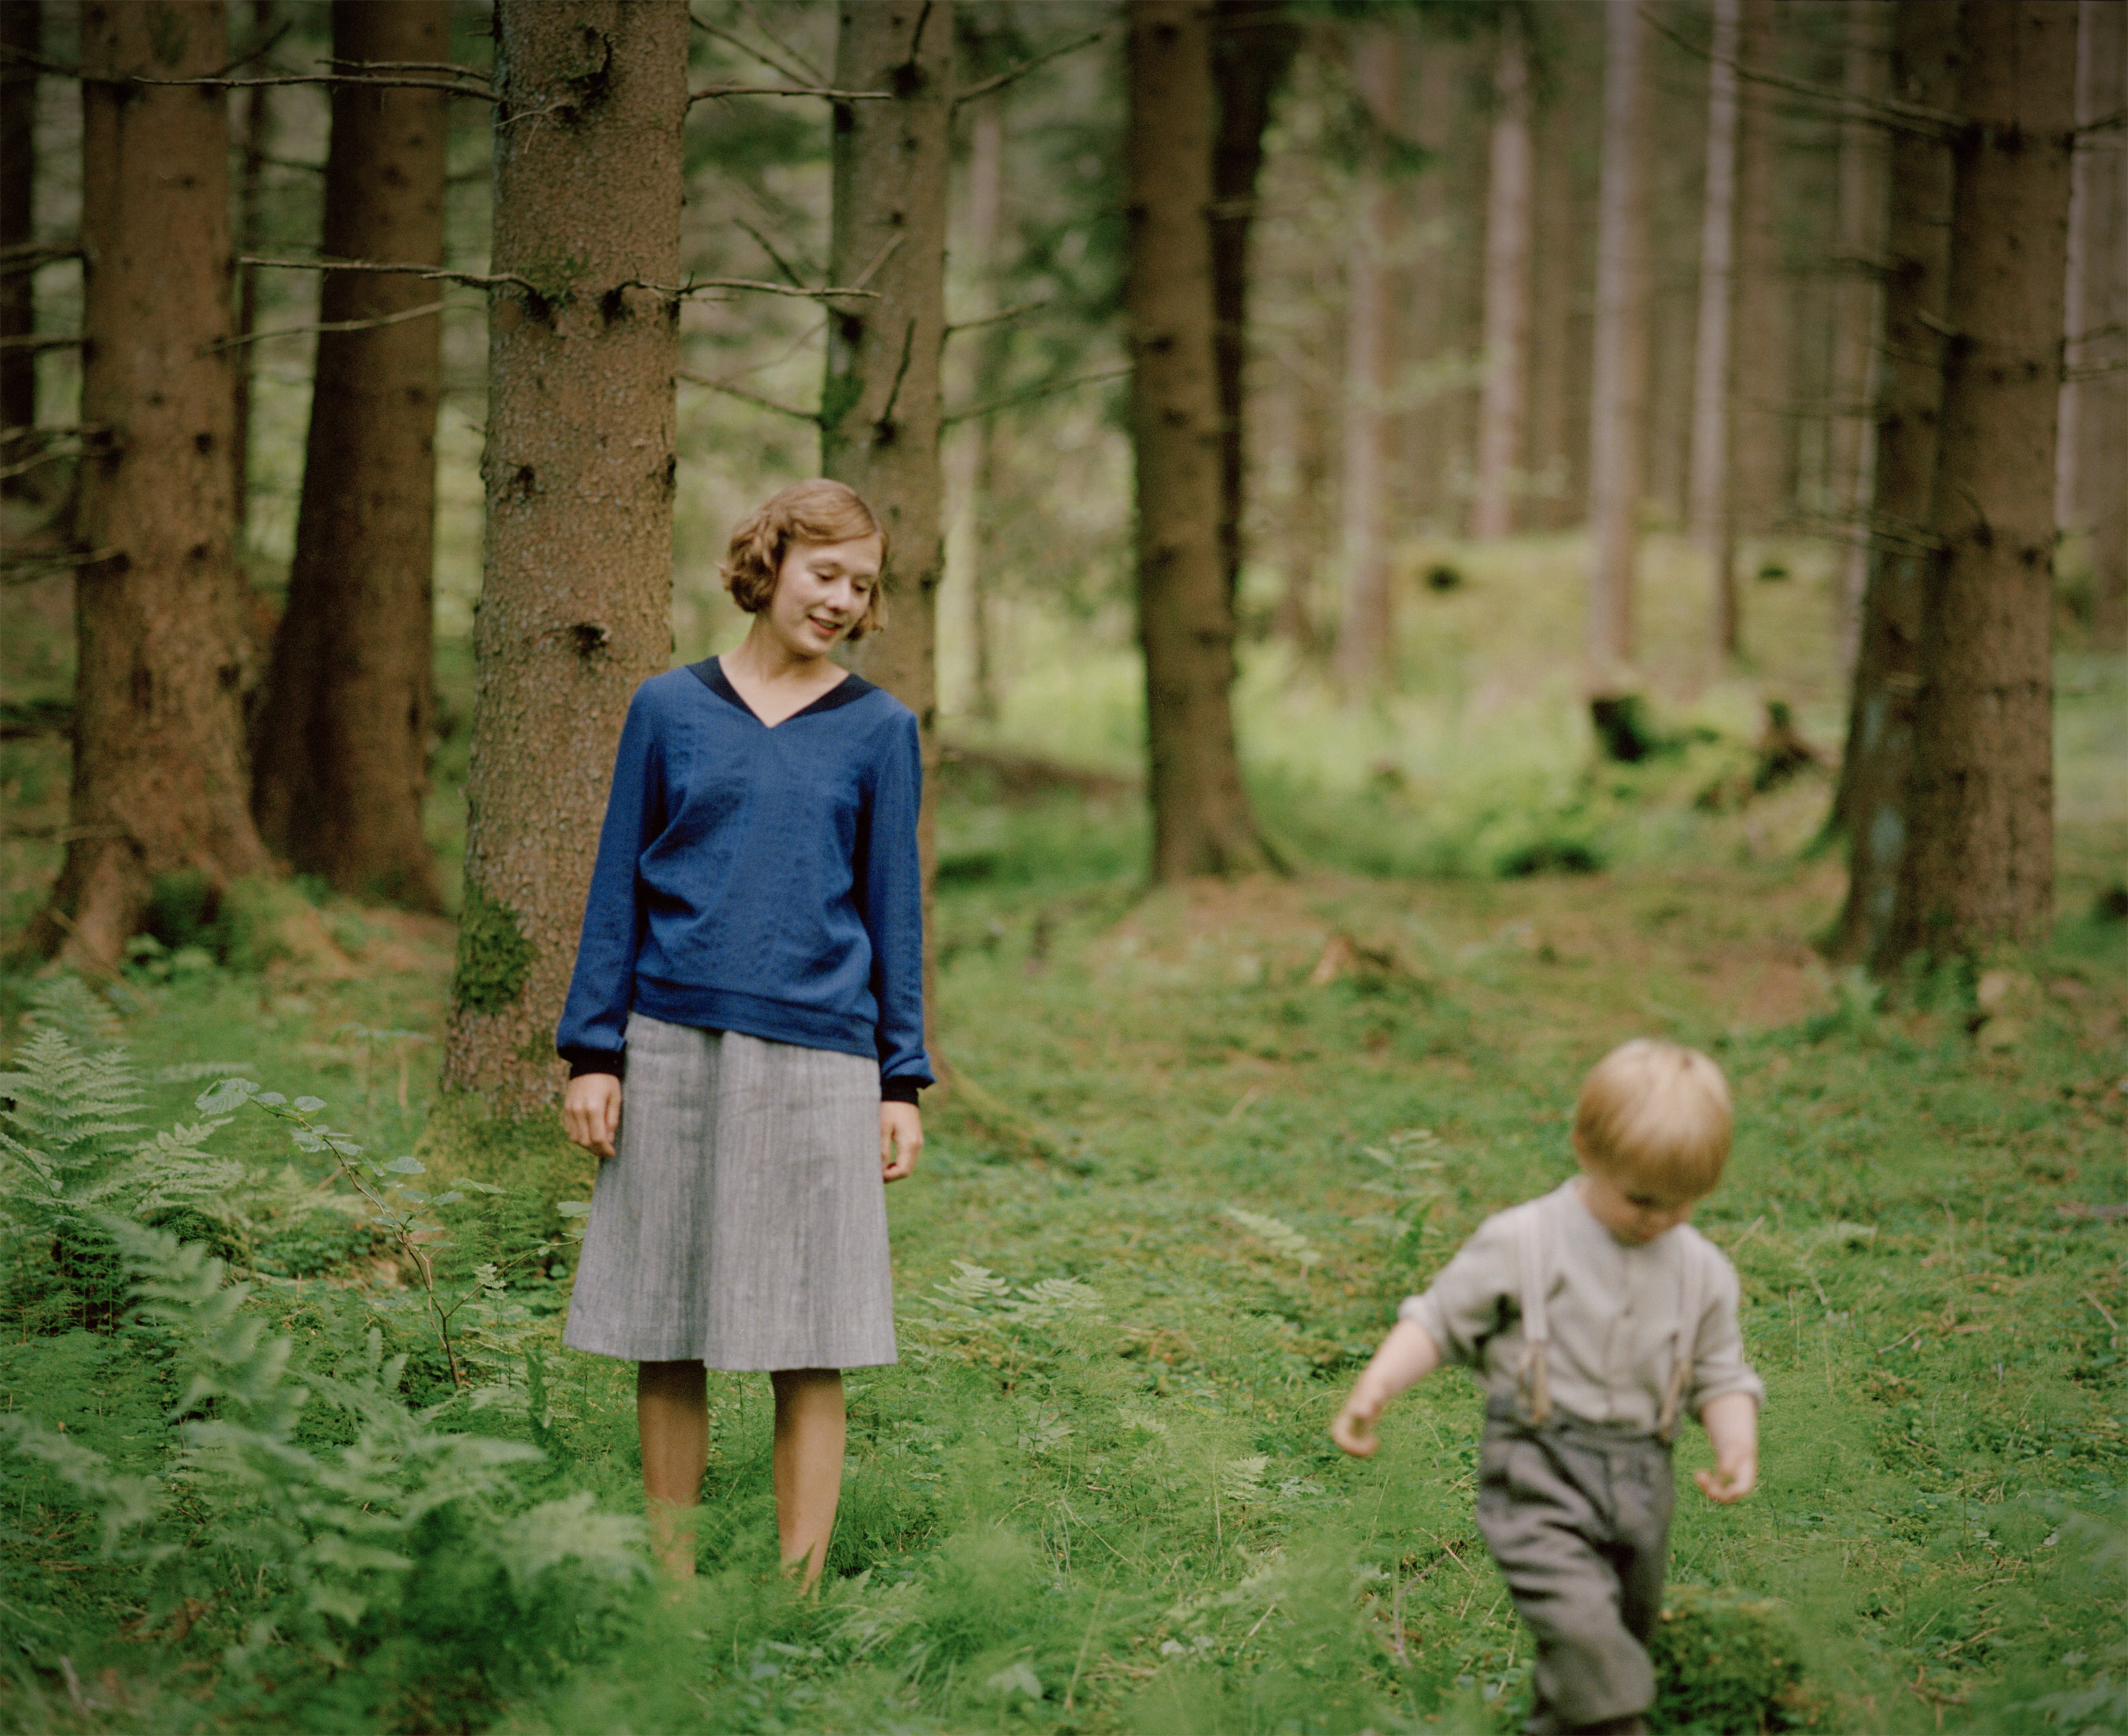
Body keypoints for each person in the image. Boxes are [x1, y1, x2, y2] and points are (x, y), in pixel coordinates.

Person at [554, 478, 931, 1588]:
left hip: (822, 1056)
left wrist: (898, 1080)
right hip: (669, 1042)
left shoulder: (878, 730)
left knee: (809, 1337)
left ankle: (793, 1596)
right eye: (825, 574)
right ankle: (673, 1592)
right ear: (769, 564)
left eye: (860, 586)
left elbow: (892, 914)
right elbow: (616, 884)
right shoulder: (666, 710)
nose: (841, 600)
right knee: (667, 1325)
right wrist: (593, 1052)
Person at [1332, 1039, 1763, 1736]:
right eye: (1642, 1198)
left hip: (1643, 1477)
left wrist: (1736, 1441)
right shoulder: (1524, 1240)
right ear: (1587, 1150)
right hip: (1539, 1463)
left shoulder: (1704, 1271)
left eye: (1683, 1203)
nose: (1658, 1218)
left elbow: (1721, 1371)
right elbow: (1439, 1318)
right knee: (1588, 1635)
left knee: (1617, 1635)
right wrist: (1375, 1386)